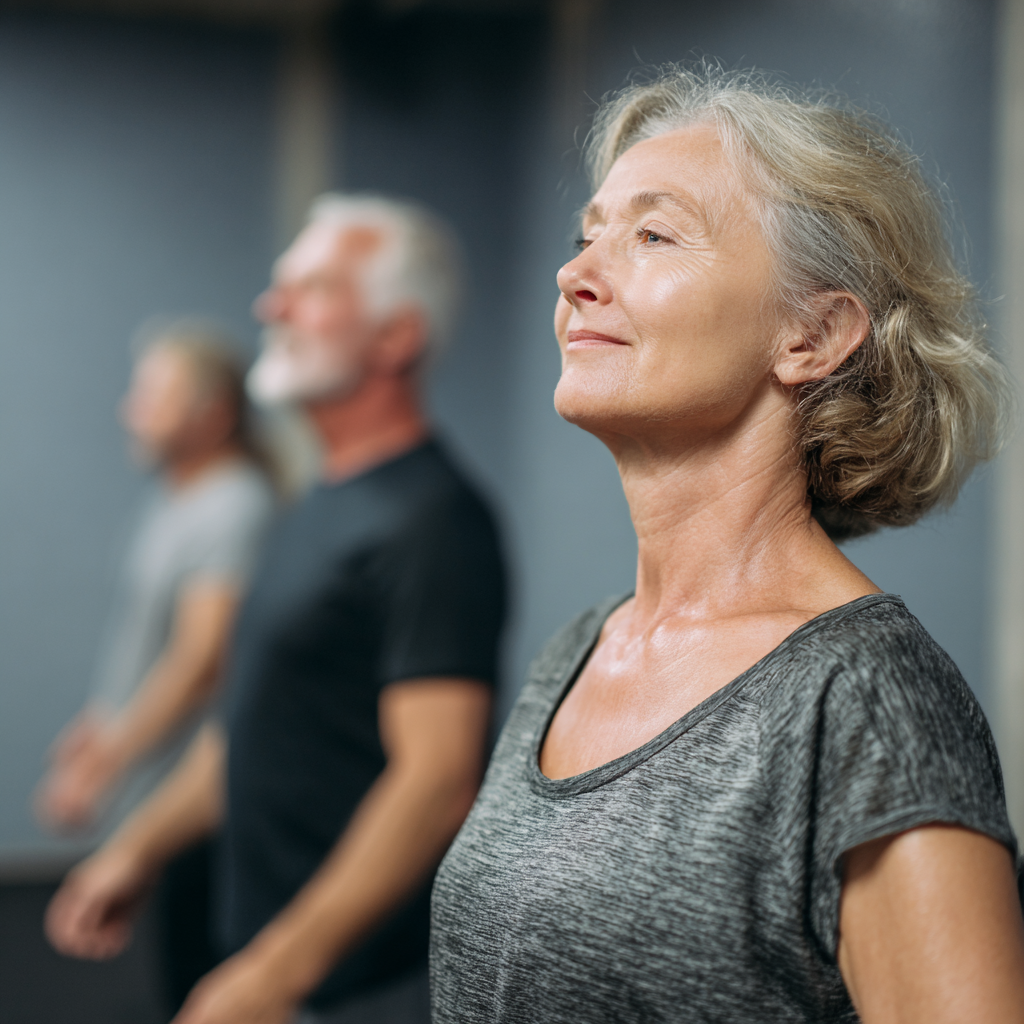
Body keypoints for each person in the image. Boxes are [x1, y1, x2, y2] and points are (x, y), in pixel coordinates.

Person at [430, 65, 1024, 1024]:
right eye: (588, 237)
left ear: (812, 335)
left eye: (653, 235)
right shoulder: (576, 655)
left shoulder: (868, 704)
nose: (574, 274)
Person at [46, 194, 507, 1024]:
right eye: (279, 285)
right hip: (270, 954)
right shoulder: (316, 502)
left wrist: (276, 974)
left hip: (356, 987)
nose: (272, 306)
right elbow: (252, 721)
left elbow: (436, 779)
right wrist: (138, 848)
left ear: (396, 336)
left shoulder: (435, 522)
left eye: (315, 288)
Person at [36, 324, 276, 1010]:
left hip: (205, 801)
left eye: (152, 393)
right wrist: (99, 723)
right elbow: (149, 640)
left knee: (204, 988)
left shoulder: (233, 506)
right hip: (162, 792)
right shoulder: (181, 499)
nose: (130, 409)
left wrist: (106, 760)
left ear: (212, 413)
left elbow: (203, 660)